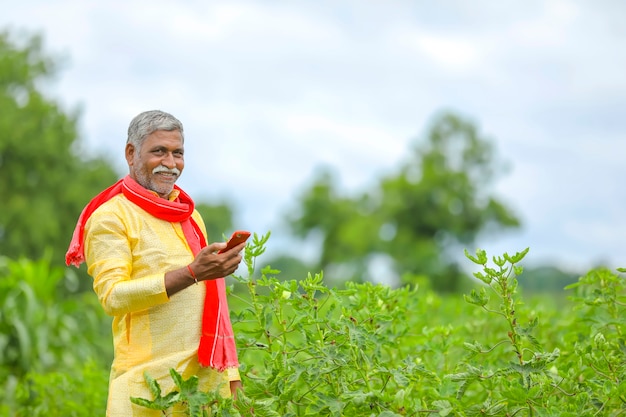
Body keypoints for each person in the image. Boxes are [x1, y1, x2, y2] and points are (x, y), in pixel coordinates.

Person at [66, 110, 244, 416]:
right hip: (146, 390)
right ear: (131, 153)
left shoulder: (188, 214)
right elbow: (113, 297)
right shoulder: (111, 218)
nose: (171, 164)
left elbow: (213, 309)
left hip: (204, 390)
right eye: (159, 151)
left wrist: (233, 379)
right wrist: (192, 273)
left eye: (178, 153)